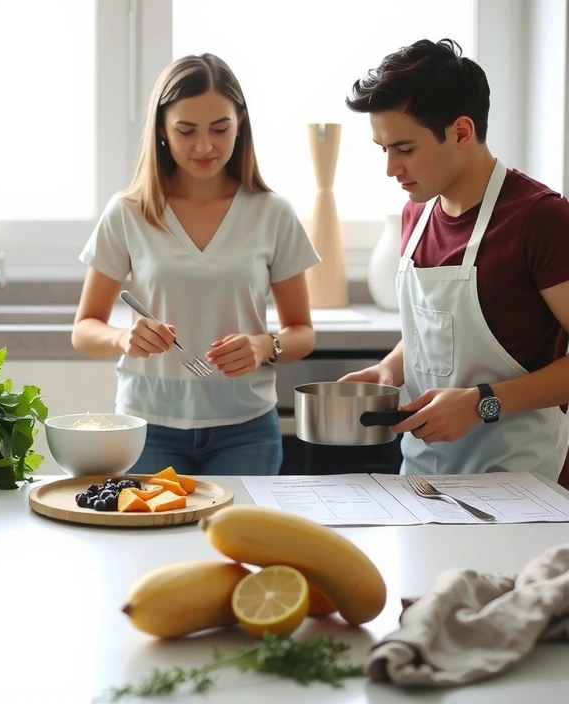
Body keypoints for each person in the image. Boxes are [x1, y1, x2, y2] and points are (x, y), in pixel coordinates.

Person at [71, 53, 320, 476]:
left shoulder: (272, 212)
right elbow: (84, 330)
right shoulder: (128, 212)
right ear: (162, 130)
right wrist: (123, 340)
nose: (205, 146)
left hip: (247, 430)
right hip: (145, 428)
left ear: (240, 123)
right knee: (150, 540)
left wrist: (265, 346)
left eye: (220, 129)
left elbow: (302, 332)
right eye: (186, 130)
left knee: (236, 543)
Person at [342, 38, 569, 482]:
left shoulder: (540, 219)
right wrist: (390, 369)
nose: (390, 168)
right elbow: (442, 332)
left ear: (461, 132)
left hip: (524, 482)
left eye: (404, 149)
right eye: (382, 148)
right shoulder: (416, 213)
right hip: (424, 478)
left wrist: (481, 402)